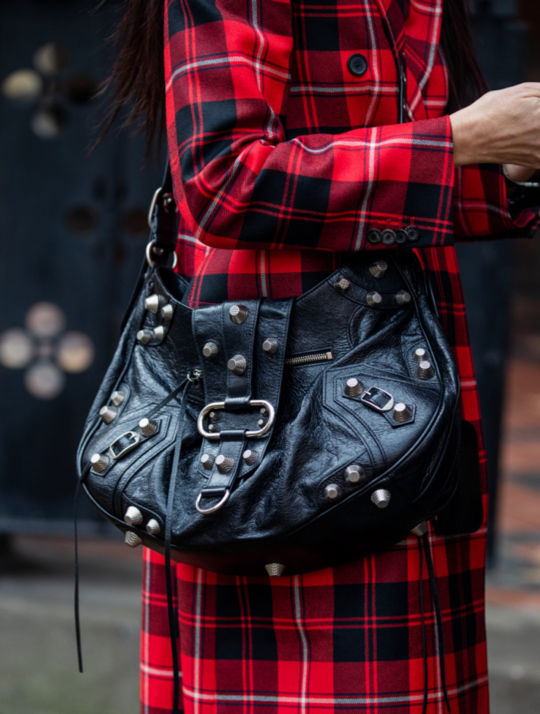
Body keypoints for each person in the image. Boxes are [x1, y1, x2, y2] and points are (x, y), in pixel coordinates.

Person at [100, 0, 540, 711]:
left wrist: (508, 163)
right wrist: (456, 139)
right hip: (269, 406)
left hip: (405, 389)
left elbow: (388, 187)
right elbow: (220, 178)